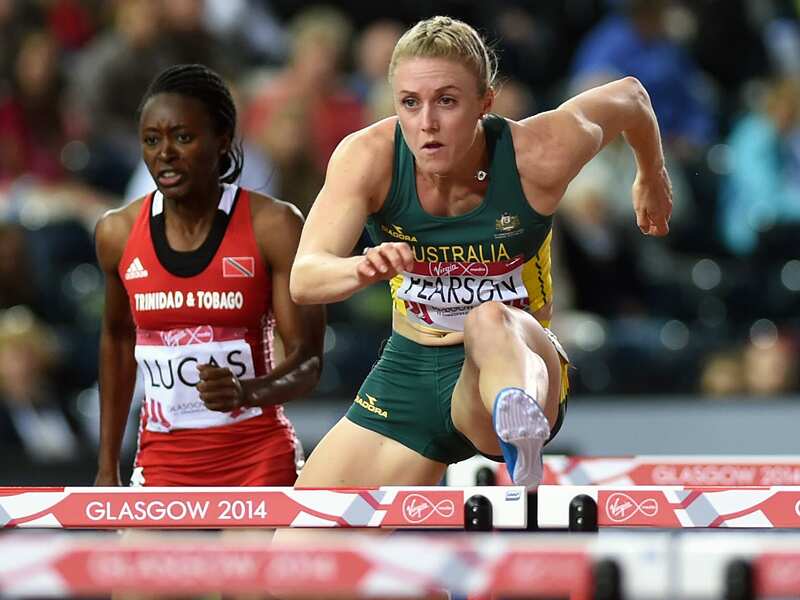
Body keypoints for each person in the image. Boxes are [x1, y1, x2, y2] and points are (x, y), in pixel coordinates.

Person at [287, 16, 671, 491]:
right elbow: (304, 279)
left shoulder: (537, 154)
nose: (426, 123)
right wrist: (360, 267)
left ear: (484, 102)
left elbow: (631, 96)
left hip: (514, 358)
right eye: (410, 103)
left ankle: (520, 424)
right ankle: (510, 420)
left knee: (488, 319)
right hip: (409, 372)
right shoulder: (368, 158)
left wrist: (651, 176)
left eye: (446, 101)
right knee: (298, 551)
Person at [93, 64, 325, 487]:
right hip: (161, 462)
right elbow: (117, 340)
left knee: (253, 558)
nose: (165, 153)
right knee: (136, 557)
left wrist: (247, 392)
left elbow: (308, 361)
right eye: (151, 140)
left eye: (182, 137)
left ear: (222, 141)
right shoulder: (117, 232)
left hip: (257, 460)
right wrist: (107, 465)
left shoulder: (274, 225)